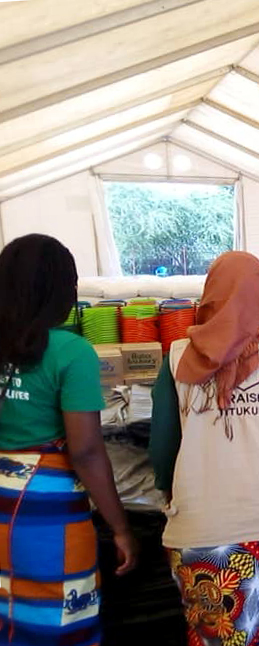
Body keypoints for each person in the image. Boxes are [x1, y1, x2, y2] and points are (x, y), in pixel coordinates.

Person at [150, 251, 259, 646]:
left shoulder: (177, 357)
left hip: (200, 529)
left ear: (210, 297)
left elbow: (162, 450)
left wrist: (173, 488)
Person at [0, 234, 138, 646]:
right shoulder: (70, 351)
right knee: (59, 622)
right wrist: (121, 527)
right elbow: (87, 451)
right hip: (48, 514)